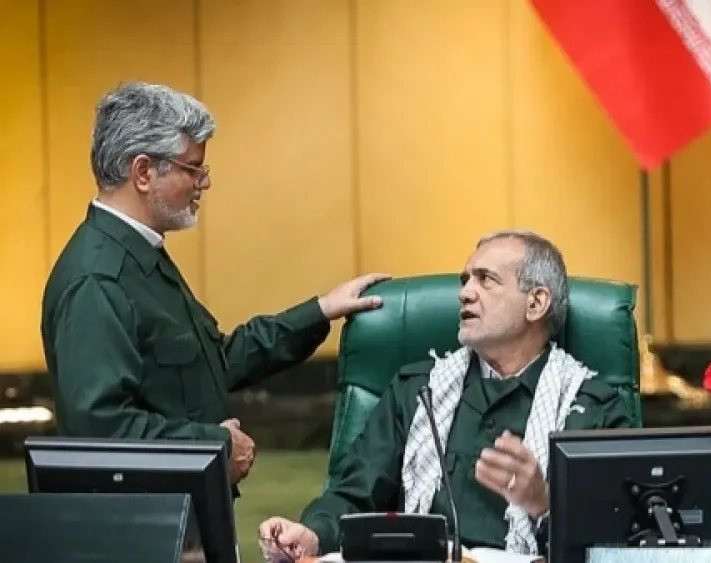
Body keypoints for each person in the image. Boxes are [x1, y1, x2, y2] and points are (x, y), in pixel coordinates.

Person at [39, 81, 390, 487]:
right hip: (145, 531)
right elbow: (102, 429)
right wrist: (215, 444)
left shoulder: (136, 254)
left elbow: (211, 365)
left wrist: (319, 310)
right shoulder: (97, 278)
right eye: (193, 168)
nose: (204, 182)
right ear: (143, 172)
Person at [259, 231, 632, 560]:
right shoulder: (418, 390)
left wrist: (546, 504)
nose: (465, 292)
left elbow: (620, 539)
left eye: (486, 280)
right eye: (465, 279)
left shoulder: (592, 409)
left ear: (536, 303)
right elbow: (355, 496)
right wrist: (312, 534)